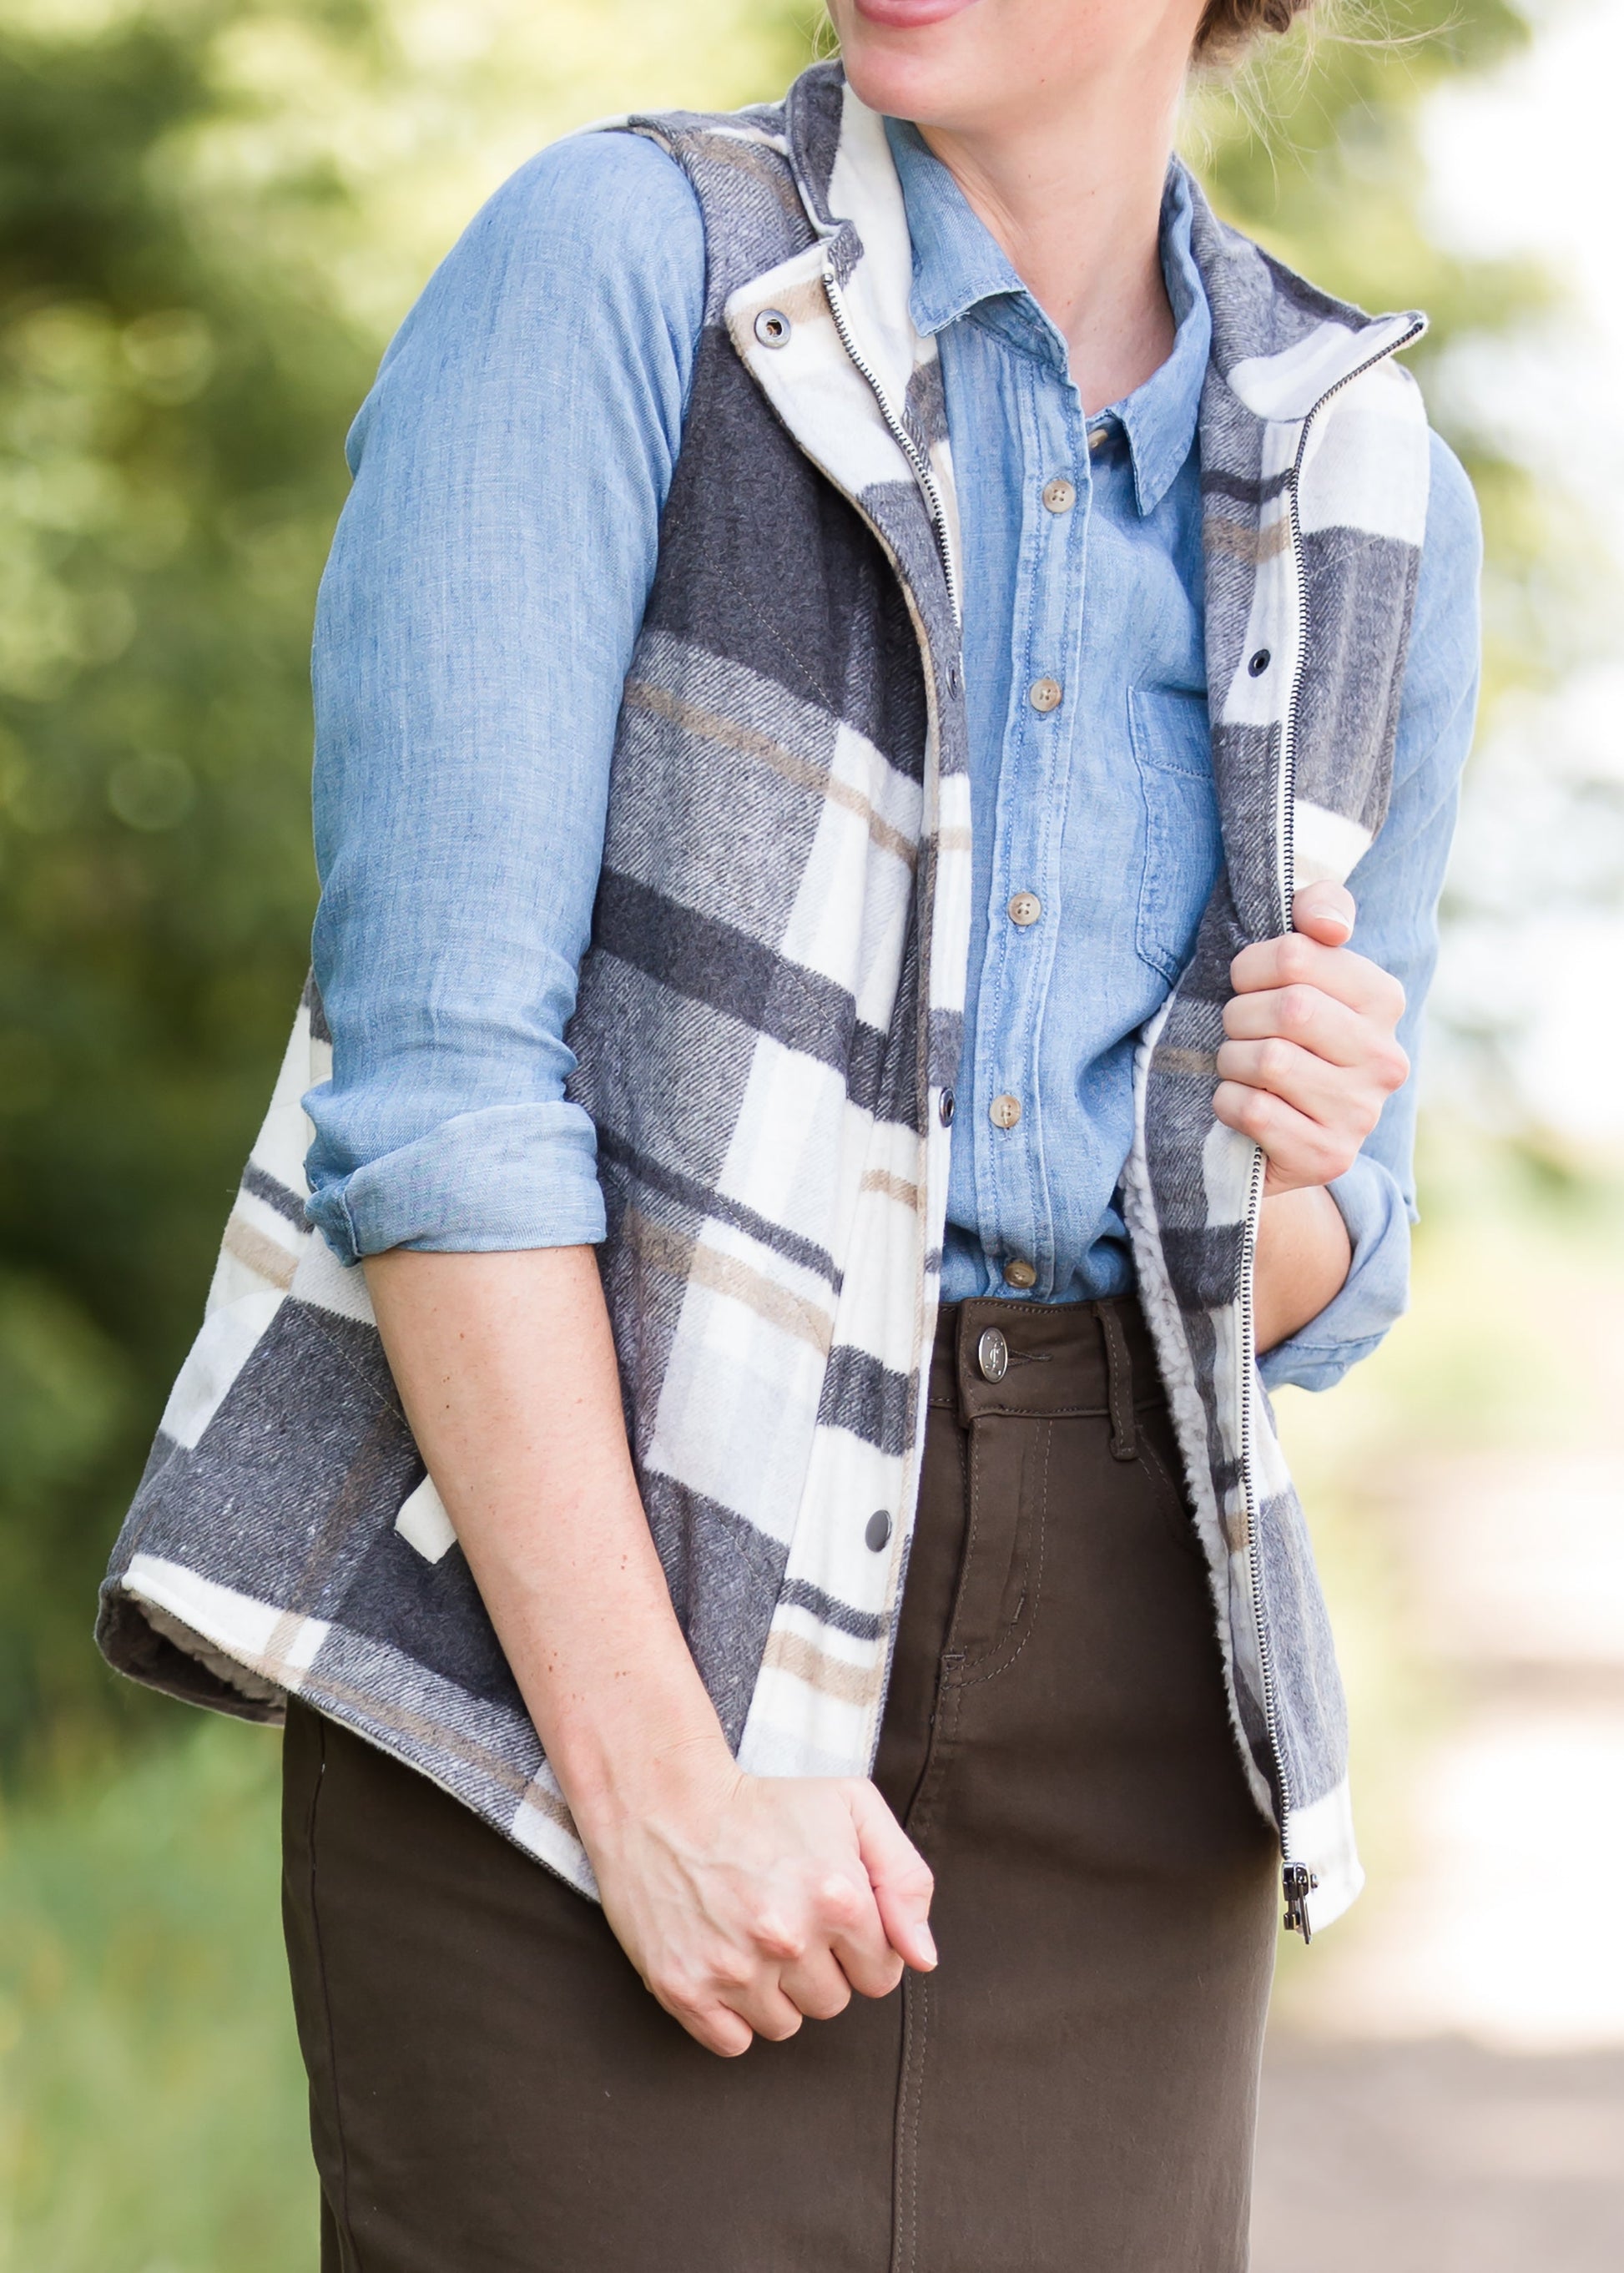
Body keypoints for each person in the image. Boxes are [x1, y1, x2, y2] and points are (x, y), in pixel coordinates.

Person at [98, 1, 1481, 2265]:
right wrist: (648, 1783)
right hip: (592, 1617)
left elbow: (1324, 1266)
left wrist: (1291, 1141)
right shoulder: (618, 266)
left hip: (1126, 1696)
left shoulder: (1363, 472)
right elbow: (435, 1082)